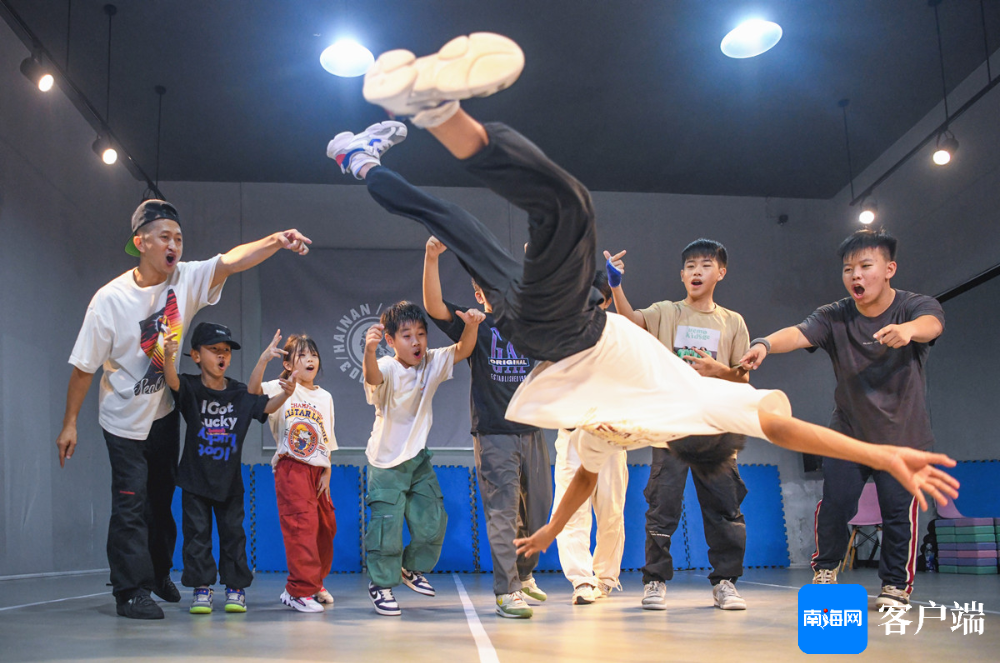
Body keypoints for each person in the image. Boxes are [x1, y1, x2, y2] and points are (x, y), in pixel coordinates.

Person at [332, 32, 959, 565]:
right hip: (537, 331)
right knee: (458, 226)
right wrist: (551, 530)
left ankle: (438, 110)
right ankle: (359, 160)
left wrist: (879, 454)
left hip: (571, 331)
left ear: (714, 433)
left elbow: (785, 428)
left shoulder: (702, 407)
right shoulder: (633, 436)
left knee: (568, 206)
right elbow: (584, 477)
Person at [58, 198, 310, 619]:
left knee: (160, 502)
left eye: (178, 237)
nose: (173, 244)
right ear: (141, 242)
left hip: (161, 414)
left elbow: (231, 261)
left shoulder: (186, 278)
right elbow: (84, 368)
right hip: (122, 420)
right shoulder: (110, 300)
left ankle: (158, 574)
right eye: (164, 237)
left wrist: (276, 240)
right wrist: (69, 423)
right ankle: (130, 590)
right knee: (130, 504)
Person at [738, 228, 945, 609]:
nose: (855, 276)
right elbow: (798, 333)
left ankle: (895, 586)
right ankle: (826, 569)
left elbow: (932, 324)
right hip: (848, 434)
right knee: (836, 504)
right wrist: (765, 344)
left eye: (866, 266)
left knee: (898, 513)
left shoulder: (914, 306)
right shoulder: (835, 315)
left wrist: (908, 330)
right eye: (848, 269)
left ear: (889, 269)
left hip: (904, 437)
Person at [605, 240, 751, 612]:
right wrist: (616, 286)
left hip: (716, 427)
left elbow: (743, 377)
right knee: (662, 505)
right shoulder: (666, 311)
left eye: (706, 265)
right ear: (682, 275)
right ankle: (654, 580)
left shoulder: (732, 321)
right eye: (690, 266)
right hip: (671, 425)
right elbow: (631, 321)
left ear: (721, 273)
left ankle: (725, 583)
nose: (696, 271)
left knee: (725, 507)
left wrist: (719, 370)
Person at [421, 236, 550, 618]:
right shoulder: (476, 323)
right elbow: (434, 306)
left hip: (533, 431)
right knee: (503, 513)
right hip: (495, 434)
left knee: (539, 511)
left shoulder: (528, 323)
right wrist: (431, 258)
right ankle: (507, 591)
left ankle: (523, 573)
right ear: (479, 294)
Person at [163, 323, 294, 614]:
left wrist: (285, 393)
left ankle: (235, 588)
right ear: (196, 355)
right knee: (197, 537)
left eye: (226, 351)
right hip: (195, 481)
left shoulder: (238, 391)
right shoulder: (191, 387)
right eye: (214, 350)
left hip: (229, 483)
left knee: (234, 535)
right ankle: (202, 588)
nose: (222, 355)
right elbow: (172, 382)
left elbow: (264, 406)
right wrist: (168, 357)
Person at [361, 301, 483, 616]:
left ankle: (410, 567)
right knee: (386, 532)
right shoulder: (387, 367)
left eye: (421, 334)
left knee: (433, 522)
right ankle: (381, 584)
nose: (416, 342)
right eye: (406, 336)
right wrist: (369, 351)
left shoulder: (431, 362)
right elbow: (373, 379)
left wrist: (471, 326)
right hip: (385, 464)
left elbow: (463, 350)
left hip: (418, 460)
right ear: (391, 340)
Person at [551, 272, 628, 605]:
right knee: (571, 511)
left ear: (606, 301)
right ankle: (582, 580)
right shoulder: (563, 331)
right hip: (573, 434)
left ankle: (606, 577)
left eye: (597, 299)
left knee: (611, 510)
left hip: (610, 434)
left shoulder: (617, 334)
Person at [249, 331, 338, 613]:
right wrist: (263, 360)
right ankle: (297, 590)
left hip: (318, 471)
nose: (310, 359)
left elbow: (327, 438)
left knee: (325, 527)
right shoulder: (281, 386)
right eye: (302, 355)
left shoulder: (325, 397)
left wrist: (327, 471)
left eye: (313, 355)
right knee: (302, 528)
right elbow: (252, 392)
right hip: (292, 468)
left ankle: (314, 582)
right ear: (288, 364)